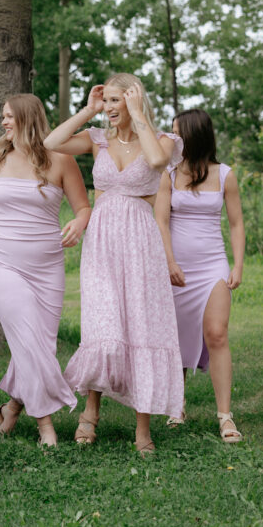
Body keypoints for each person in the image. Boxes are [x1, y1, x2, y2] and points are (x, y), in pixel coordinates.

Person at [44, 74, 184, 454]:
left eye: (115, 101)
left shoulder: (166, 141)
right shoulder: (97, 139)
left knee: (141, 325)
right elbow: (51, 142)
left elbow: (156, 161)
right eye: (106, 102)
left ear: (134, 100)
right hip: (103, 241)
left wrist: (137, 113)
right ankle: (90, 412)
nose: (109, 109)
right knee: (103, 325)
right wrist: (87, 109)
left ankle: (143, 429)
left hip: (141, 240)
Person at [0, 95, 90, 446]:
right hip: (1, 259)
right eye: (2, 115)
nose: (3, 122)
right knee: (27, 336)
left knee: (39, 345)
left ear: (27, 118)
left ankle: (13, 408)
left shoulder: (60, 159)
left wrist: (79, 224)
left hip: (47, 266)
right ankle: (45, 425)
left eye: (8, 116)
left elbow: (82, 207)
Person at [155, 109, 245, 442]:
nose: (172, 138)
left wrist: (237, 265)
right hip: (177, 267)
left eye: (178, 133)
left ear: (195, 135)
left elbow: (236, 223)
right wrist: (169, 262)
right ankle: (175, 405)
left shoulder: (225, 175)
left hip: (213, 266)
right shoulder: (168, 173)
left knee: (217, 334)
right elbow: (161, 221)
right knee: (175, 338)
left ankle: (225, 416)